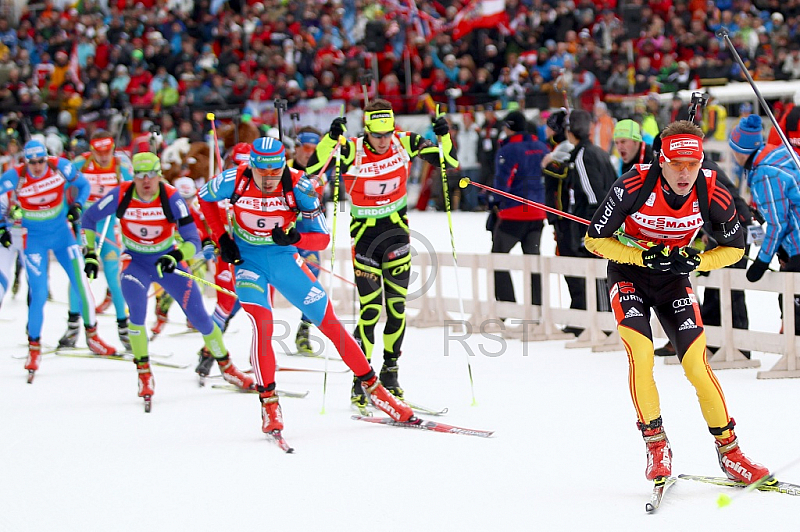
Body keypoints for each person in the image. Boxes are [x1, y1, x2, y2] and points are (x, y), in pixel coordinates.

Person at [584, 120, 772, 486]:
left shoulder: (711, 190)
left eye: (693, 162)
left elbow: (735, 249)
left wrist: (698, 260)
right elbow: (594, 240)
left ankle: (731, 453)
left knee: (697, 366)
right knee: (642, 353)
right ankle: (657, 445)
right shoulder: (632, 185)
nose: (685, 172)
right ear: (661, 160)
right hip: (628, 275)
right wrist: (640, 258)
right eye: (676, 163)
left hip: (673, 280)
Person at [198, 137, 414, 434]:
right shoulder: (234, 178)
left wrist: (295, 239)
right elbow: (204, 198)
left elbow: (322, 239)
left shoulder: (299, 186)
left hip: (285, 260)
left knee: (329, 323)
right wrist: (220, 237)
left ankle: (375, 390)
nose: (269, 180)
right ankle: (269, 403)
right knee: (262, 323)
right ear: (252, 166)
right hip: (249, 263)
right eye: (263, 172)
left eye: (275, 172)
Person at [306, 99, 458, 407]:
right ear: (366, 131)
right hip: (365, 237)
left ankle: (391, 371)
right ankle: (361, 378)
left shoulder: (405, 142)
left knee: (397, 307)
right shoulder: (352, 149)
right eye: (377, 135)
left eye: (387, 133)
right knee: (371, 311)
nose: (384, 140)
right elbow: (311, 168)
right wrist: (329, 138)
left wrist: (444, 135)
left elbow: (448, 162)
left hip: (397, 234)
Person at [79, 152, 253, 406]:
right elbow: (89, 218)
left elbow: (193, 240)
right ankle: (144, 373)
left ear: (159, 174)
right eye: (140, 175)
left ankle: (228, 368)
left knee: (201, 319)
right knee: (136, 315)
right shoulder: (122, 193)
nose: (146, 181)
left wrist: (177, 255)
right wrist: (91, 253)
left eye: (151, 175)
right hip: (135, 263)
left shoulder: (171, 197)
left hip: (167, 262)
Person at [0, 140, 116, 381]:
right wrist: (2, 226)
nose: (37, 167)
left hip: (64, 238)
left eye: (41, 161)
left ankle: (93, 337)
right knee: (39, 294)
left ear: (47, 158)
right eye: (32, 162)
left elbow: (83, 186)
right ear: (26, 161)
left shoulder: (59, 166)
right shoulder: (16, 176)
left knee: (82, 286)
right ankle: (34, 348)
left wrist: (77, 206)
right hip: (35, 241)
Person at [61, 130, 134, 351]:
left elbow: (133, 192)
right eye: (99, 152)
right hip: (84, 226)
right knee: (79, 275)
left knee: (114, 276)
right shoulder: (80, 163)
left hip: (108, 226)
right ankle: (73, 327)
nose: (104, 157)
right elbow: (62, 190)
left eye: (108, 151)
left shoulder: (121, 165)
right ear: (92, 150)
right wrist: (68, 215)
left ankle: (124, 330)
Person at [734, 115, 800, 335]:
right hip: (795, 244)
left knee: (792, 301)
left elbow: (778, 224)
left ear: (743, 151)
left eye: (735, 149)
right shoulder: (777, 152)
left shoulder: (763, 173)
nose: (733, 155)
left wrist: (761, 262)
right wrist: (783, 250)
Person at [490, 110, 548, 306]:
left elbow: (502, 182)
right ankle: (537, 307)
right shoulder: (542, 147)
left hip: (514, 213)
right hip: (538, 212)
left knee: (497, 258)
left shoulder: (507, 150)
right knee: (533, 262)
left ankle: (508, 305)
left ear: (508, 127)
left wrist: (495, 202)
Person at [565, 109, 616, 318]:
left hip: (594, 225)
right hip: (609, 221)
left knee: (598, 275)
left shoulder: (582, 156)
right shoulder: (601, 152)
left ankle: (604, 322)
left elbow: (594, 196)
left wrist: (590, 229)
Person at [288, 127, 325, 355]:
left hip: (306, 234)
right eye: (306, 148)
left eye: (315, 150)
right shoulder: (285, 169)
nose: (310, 154)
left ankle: (304, 329)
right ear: (297, 148)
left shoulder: (321, 170)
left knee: (313, 279)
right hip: (283, 232)